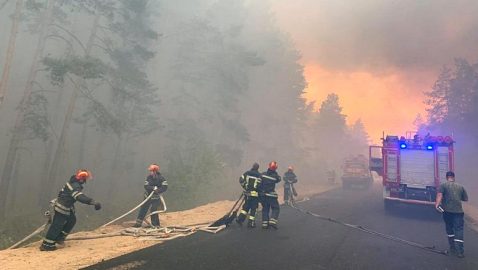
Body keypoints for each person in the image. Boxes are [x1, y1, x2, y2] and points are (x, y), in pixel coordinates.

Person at [40, 169, 101, 251]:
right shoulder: (75, 186)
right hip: (62, 206)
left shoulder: (73, 182)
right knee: (57, 225)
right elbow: (80, 197)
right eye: (85, 178)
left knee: (72, 220)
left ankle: (59, 238)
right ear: (82, 179)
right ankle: (47, 245)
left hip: (67, 205)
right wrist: (93, 202)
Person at [435, 171, 469, 258]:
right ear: (454, 177)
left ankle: (452, 247)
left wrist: (437, 205)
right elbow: (465, 199)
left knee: (449, 228)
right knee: (459, 230)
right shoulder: (460, 187)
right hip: (458, 212)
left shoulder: (443, 185)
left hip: (447, 212)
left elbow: (439, 195)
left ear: (447, 177)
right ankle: (460, 252)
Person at [134, 164, 168, 228]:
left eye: (152, 171)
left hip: (156, 198)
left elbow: (165, 187)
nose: (151, 172)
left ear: (155, 171)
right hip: (147, 197)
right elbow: (146, 186)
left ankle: (155, 225)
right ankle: (138, 224)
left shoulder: (161, 178)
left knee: (154, 210)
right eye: (150, 171)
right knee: (143, 209)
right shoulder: (149, 177)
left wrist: (158, 190)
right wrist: (152, 188)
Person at [236, 162, 262, 228]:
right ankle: (251, 222)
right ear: (258, 168)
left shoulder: (247, 173)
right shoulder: (259, 175)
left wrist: (245, 186)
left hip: (247, 194)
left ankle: (240, 219)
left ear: (252, 166)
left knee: (246, 207)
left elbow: (241, 179)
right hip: (255, 195)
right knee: (254, 208)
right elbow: (260, 185)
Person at [259, 161, 281, 229]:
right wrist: (275, 172)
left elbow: (259, 183)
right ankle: (272, 221)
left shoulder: (262, 174)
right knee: (276, 208)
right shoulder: (275, 176)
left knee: (265, 209)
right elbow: (279, 179)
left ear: (269, 166)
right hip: (271, 195)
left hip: (263, 195)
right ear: (276, 168)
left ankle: (264, 224)